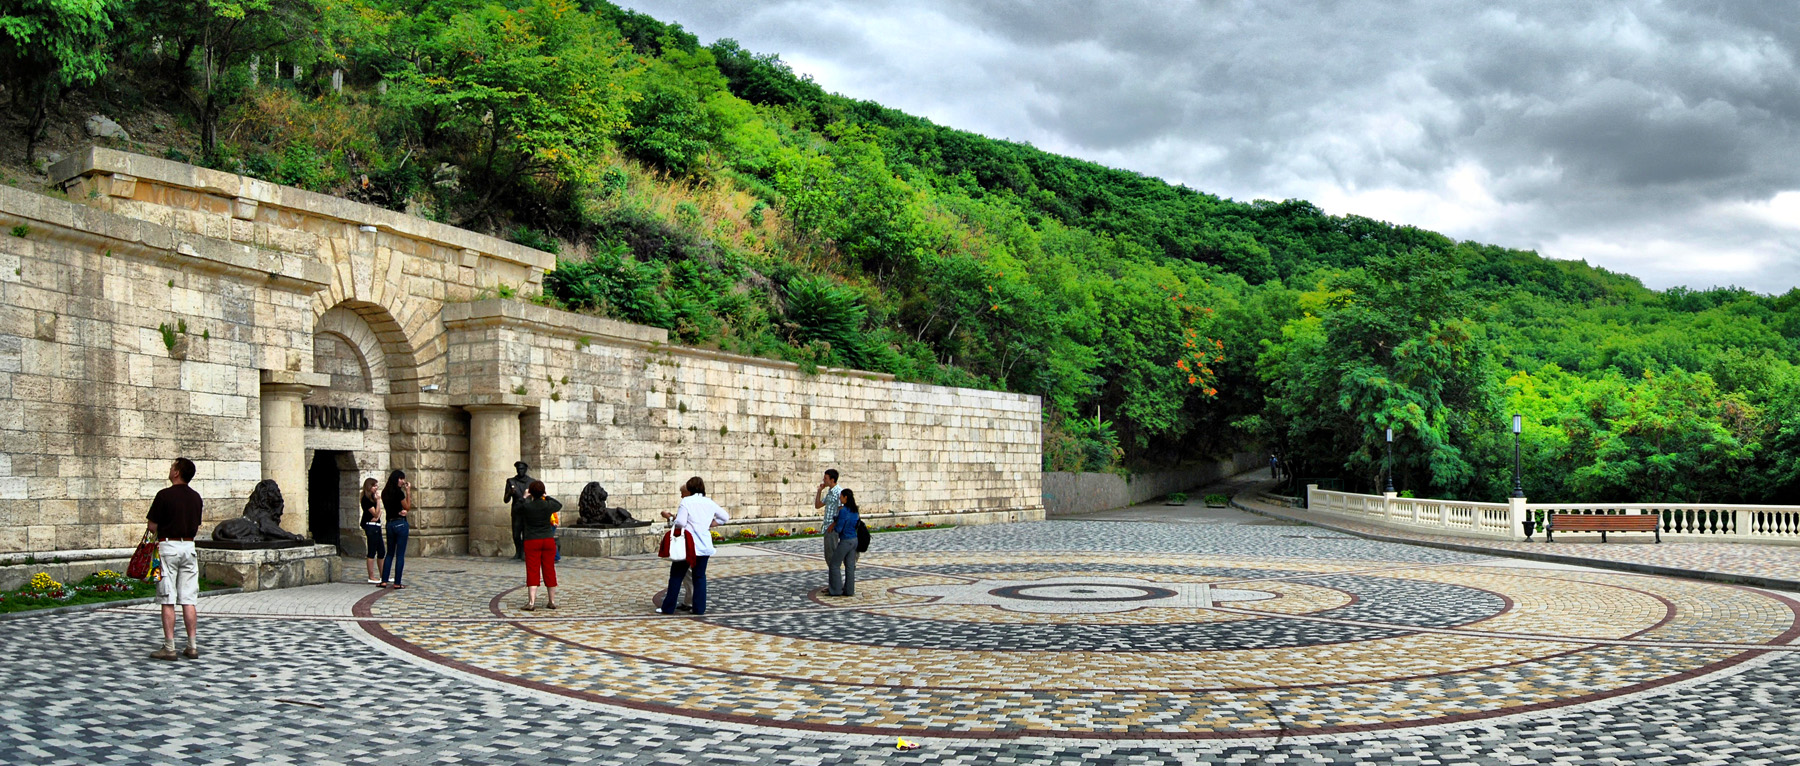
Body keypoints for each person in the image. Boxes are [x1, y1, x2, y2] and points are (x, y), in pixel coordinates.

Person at [145, 457, 203, 660]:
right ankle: (192, 646)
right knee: (188, 599)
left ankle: (169, 647)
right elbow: (196, 524)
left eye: (172, 467)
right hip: (189, 547)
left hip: (168, 546)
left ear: (177, 472)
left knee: (168, 598)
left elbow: (152, 526)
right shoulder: (196, 497)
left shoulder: (164, 495)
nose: (170, 469)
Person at [657, 476, 729, 615]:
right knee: (700, 577)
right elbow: (725, 517)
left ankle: (668, 607)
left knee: (676, 576)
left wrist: (672, 519)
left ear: (689, 488)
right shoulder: (709, 502)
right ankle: (699, 608)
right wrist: (710, 524)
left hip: (688, 545)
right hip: (704, 545)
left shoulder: (686, 502)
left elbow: (681, 522)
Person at [516, 480, 562, 611]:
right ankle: (552, 601)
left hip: (532, 540)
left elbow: (517, 509)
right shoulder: (547, 505)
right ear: (542, 492)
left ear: (531, 492)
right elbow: (559, 505)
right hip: (547, 539)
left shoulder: (527, 506)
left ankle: (531, 602)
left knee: (532, 570)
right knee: (549, 569)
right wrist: (546, 496)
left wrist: (524, 497)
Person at [379, 470, 415, 589]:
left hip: (390, 523)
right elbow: (407, 507)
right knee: (399, 555)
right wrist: (408, 492)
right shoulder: (399, 493)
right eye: (401, 478)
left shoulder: (384, 492)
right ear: (396, 479)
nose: (403, 481)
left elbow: (391, 507)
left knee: (389, 553)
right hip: (400, 523)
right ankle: (397, 582)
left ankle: (384, 580)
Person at [825, 488, 862, 597]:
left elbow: (839, 528)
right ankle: (849, 590)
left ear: (845, 497)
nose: (840, 498)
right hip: (854, 540)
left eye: (841, 496)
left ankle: (836, 590)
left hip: (845, 540)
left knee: (834, 564)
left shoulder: (843, 511)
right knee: (850, 566)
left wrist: (834, 527)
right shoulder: (855, 511)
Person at [813, 468, 841, 588]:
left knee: (832, 557)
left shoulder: (839, 492)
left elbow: (841, 511)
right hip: (827, 528)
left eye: (826, 478)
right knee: (828, 557)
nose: (824, 480)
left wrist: (833, 525)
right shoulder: (830, 492)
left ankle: (835, 586)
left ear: (832, 480)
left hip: (832, 529)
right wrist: (819, 491)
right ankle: (833, 584)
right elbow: (818, 505)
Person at [503, 461, 535, 561]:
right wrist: (510, 492)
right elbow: (505, 500)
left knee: (526, 533)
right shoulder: (511, 481)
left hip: (528, 511)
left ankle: (525, 553)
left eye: (522, 469)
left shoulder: (532, 482)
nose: (520, 471)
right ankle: (518, 552)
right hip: (517, 511)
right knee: (516, 534)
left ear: (525, 469)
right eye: (518, 469)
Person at [360, 478, 384, 584]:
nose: (376, 488)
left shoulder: (373, 498)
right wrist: (378, 501)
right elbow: (376, 513)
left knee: (381, 551)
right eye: (374, 486)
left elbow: (379, 513)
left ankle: (383, 575)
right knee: (372, 551)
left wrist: (377, 514)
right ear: (369, 487)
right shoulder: (366, 499)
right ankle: (371, 576)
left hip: (377, 526)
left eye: (376, 485)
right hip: (371, 527)